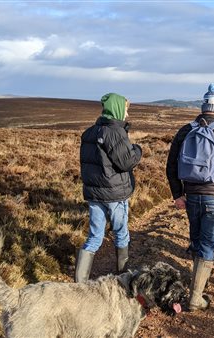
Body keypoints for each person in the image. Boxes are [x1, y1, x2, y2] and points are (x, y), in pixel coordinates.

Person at [166, 83, 214, 311]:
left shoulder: (185, 130)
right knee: (208, 245)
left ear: (203, 106)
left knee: (198, 241)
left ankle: (196, 287)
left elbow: (170, 166)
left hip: (191, 197)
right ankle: (195, 297)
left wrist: (178, 194)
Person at [75, 93, 142, 282]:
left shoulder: (89, 132)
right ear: (118, 109)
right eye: (126, 109)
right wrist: (137, 150)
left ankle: (80, 284)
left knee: (95, 236)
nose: (127, 114)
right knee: (121, 234)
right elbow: (127, 162)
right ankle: (123, 279)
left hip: (95, 194)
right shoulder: (114, 132)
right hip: (115, 193)